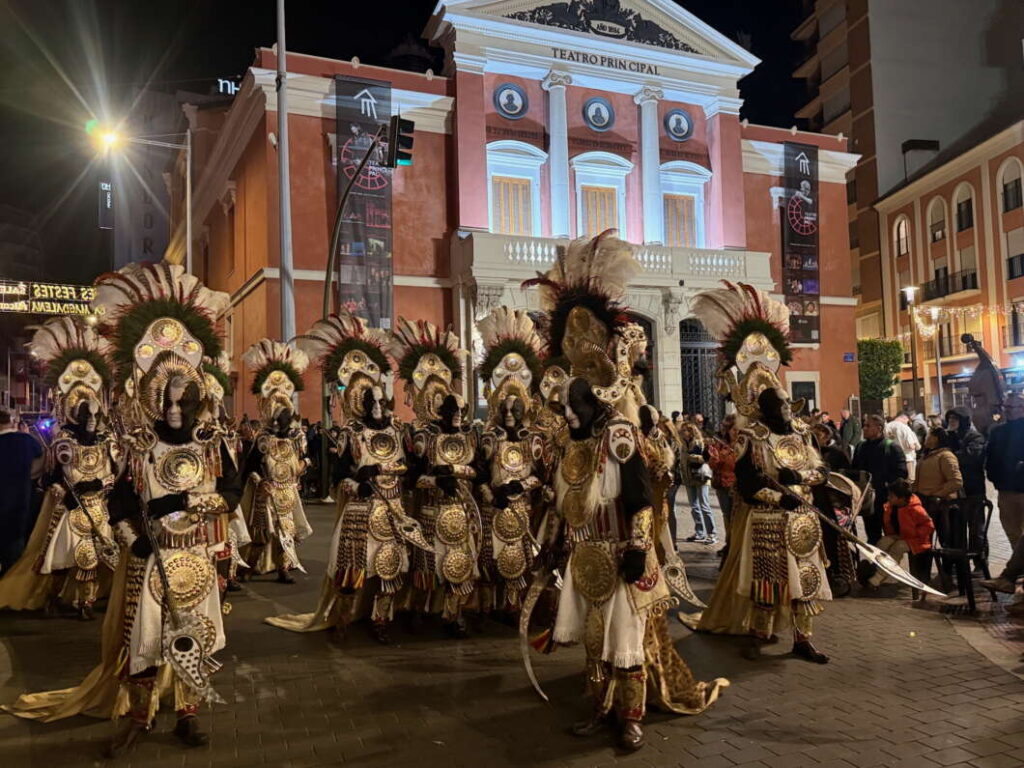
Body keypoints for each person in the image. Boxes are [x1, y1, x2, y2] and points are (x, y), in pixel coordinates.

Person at [4, 262, 241, 755]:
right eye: (168, 398)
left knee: (194, 630)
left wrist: (200, 505)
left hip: (193, 553)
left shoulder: (210, 441)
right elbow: (121, 497)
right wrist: (130, 531)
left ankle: (189, 711)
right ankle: (138, 712)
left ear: (195, 396)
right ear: (155, 396)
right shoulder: (138, 442)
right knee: (146, 637)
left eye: (183, 397)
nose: (176, 406)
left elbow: (233, 492)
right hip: (149, 556)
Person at [529, 232, 726, 752]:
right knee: (594, 644)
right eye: (565, 408)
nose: (568, 414)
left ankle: (631, 716)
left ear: (593, 403)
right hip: (585, 557)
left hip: (624, 557)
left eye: (576, 406)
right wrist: (550, 547)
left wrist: (639, 547)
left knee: (627, 642)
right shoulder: (570, 448)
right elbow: (562, 506)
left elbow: (639, 498)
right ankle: (600, 709)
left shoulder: (620, 438)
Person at [691, 282, 830, 663]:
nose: (787, 409)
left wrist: (800, 483)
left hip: (803, 517)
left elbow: (822, 472)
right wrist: (776, 495)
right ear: (766, 409)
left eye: (787, 404)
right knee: (767, 582)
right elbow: (748, 483)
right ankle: (759, 632)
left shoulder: (803, 434)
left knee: (806, 580)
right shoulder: (753, 438)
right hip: (767, 519)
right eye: (780, 405)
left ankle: (803, 639)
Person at [0, 318, 117, 618]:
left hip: (99, 505)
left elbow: (112, 471)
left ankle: (87, 601)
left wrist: (105, 486)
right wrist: (65, 489)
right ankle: (52, 596)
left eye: (94, 414)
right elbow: (52, 476)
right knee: (62, 559)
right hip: (71, 507)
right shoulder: (64, 441)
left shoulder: (105, 440)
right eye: (85, 414)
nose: (91, 420)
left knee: (100, 556)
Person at [391, 318, 479, 639]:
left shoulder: (470, 437)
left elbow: (477, 470)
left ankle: (454, 615)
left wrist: (459, 474)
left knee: (459, 565)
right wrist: (436, 480)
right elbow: (413, 478)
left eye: (459, 413)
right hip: (430, 510)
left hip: (460, 511)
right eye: (450, 413)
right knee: (427, 567)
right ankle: (421, 610)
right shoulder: (422, 436)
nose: (455, 417)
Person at [475, 307, 545, 613]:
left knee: (519, 558)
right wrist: (491, 493)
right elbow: (478, 472)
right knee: (491, 557)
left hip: (521, 507)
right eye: (505, 409)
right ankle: (491, 605)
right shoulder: (488, 437)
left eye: (514, 410)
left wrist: (520, 486)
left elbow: (539, 473)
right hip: (494, 508)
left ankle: (516, 606)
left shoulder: (533, 438)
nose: (508, 414)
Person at [239, 340, 313, 583]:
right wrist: (261, 482)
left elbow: (297, 465)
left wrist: (306, 465)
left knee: (287, 532)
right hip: (267, 492)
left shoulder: (293, 439)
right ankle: (250, 567)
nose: (282, 421)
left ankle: (283, 567)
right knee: (263, 533)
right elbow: (249, 468)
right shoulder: (262, 440)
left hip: (288, 492)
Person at [861, 479, 934, 591]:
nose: (888, 498)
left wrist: (914, 534)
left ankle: (876, 579)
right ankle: (876, 570)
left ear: (902, 498)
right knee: (882, 543)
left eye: (892, 496)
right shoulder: (891, 507)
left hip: (916, 540)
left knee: (897, 549)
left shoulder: (915, 509)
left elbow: (929, 526)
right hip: (899, 536)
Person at [0, 407, 44, 573]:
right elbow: (40, 463)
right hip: (18, 509)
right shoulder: (26, 441)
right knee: (13, 561)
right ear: (11, 422)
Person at [852, 414, 908, 543]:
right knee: (872, 535)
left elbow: (901, 473)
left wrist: (886, 487)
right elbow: (854, 469)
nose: (864, 429)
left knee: (891, 535)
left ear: (879, 428)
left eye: (868, 426)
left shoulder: (891, 447)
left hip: (885, 500)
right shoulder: (860, 447)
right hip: (867, 500)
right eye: (863, 426)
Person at [945, 407, 987, 569]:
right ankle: (960, 563)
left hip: (973, 488)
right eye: (949, 420)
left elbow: (971, 457)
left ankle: (980, 562)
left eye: (955, 419)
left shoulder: (974, 436)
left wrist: (952, 454)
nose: (952, 423)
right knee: (957, 528)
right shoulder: (951, 436)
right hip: (955, 491)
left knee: (976, 529)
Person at [914, 428, 963, 551]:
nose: (926, 438)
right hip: (925, 504)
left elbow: (956, 481)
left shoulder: (946, 456)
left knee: (946, 541)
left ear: (936, 438)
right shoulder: (926, 455)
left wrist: (937, 494)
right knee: (924, 540)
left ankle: (950, 569)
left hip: (941, 506)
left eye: (929, 435)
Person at [985, 393, 1024, 548]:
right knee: (1012, 530)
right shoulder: (997, 432)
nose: (1006, 410)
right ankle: (1019, 564)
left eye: (1010, 407)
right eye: (1005, 407)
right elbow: (991, 458)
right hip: (1006, 490)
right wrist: (995, 477)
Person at [679, 421, 715, 545]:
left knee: (704, 506)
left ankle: (712, 533)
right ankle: (700, 532)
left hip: (701, 477)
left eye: (685, 430)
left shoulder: (699, 443)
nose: (683, 433)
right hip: (689, 478)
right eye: (682, 430)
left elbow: (705, 459)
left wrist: (691, 457)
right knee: (694, 507)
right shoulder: (683, 444)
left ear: (691, 431)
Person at [707, 414, 737, 552]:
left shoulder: (741, 443)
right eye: (728, 428)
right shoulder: (719, 443)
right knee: (727, 515)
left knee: (736, 516)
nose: (733, 432)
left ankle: (737, 543)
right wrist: (714, 459)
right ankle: (729, 543)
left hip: (736, 485)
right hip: (722, 484)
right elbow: (714, 465)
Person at [885, 413, 922, 482]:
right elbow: (911, 446)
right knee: (909, 482)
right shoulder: (904, 427)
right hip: (907, 459)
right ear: (904, 418)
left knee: (895, 483)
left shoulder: (886, 426)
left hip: (891, 460)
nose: (907, 423)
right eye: (907, 421)